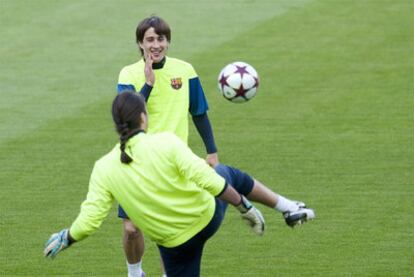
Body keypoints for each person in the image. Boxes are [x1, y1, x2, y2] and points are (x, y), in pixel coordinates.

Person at [44, 92, 315, 277]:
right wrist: (243, 205)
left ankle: (287, 207)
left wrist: (67, 237)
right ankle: (287, 207)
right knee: (226, 172)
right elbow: (209, 178)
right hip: (206, 218)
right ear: (143, 118)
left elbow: (91, 220)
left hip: (174, 245)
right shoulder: (165, 142)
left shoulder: (104, 167)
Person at [116, 16, 220, 276]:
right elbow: (128, 115)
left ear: (168, 42)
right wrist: (148, 84)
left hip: (173, 164)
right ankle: (135, 271)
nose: (156, 45)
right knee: (131, 229)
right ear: (140, 43)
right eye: (150, 39)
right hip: (136, 162)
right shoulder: (128, 74)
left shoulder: (185, 71)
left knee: (170, 231)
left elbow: (199, 112)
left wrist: (212, 151)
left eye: (160, 39)